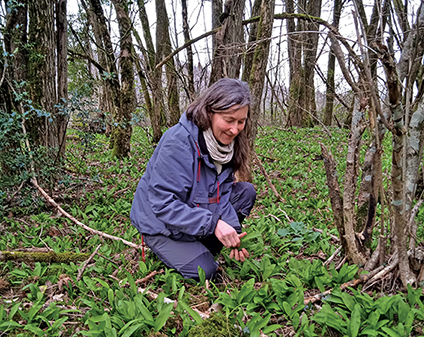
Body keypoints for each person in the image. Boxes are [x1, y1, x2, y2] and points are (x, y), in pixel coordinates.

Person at [130, 78, 256, 280]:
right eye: (229, 120)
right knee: (205, 272)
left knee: (245, 192)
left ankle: (199, 248)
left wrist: (233, 233)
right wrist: (214, 224)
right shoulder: (178, 142)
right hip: (160, 224)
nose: (235, 129)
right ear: (209, 112)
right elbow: (163, 205)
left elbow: (221, 195)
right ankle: (185, 252)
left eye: (241, 121)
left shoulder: (227, 145)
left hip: (194, 209)